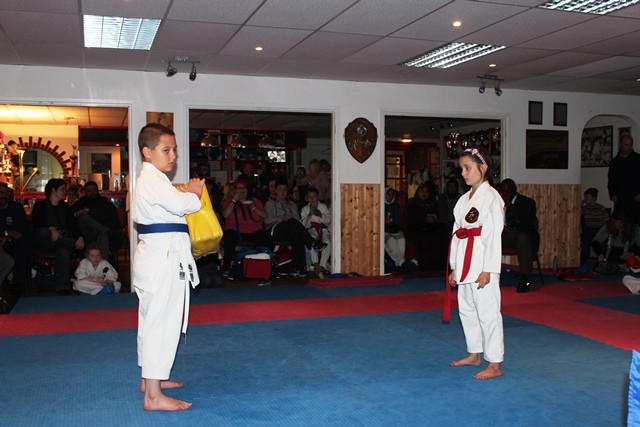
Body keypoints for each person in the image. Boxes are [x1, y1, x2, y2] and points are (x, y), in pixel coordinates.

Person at [131, 123, 204, 411]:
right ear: (147, 152)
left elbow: (171, 203)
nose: (173, 156)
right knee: (160, 324)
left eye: (174, 149)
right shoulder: (151, 180)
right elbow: (182, 204)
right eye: (166, 150)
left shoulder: (154, 180)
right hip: (162, 260)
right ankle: (153, 396)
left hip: (157, 257)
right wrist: (194, 192)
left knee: (151, 321)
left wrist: (185, 194)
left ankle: (150, 381)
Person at [448, 147, 505, 380]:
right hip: (465, 263)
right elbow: (457, 233)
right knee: (467, 310)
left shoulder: (491, 197)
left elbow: (493, 236)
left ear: (483, 168)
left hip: (482, 263)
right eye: (462, 168)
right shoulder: (463, 200)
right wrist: (454, 267)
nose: (463, 173)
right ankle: (474, 353)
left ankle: (495, 363)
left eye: (467, 168)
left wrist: (488, 269)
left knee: (488, 313)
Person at [31, 178, 84, 293]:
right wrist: (51, 229)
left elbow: (73, 225)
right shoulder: (40, 205)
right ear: (53, 190)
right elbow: (37, 223)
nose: (65, 192)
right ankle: (72, 243)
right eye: (62, 189)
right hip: (44, 241)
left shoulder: (65, 207)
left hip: (60, 241)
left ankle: (63, 288)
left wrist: (80, 237)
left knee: (63, 251)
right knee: (43, 232)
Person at [264, 178, 325, 276]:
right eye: (280, 189)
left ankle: (300, 268)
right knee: (292, 224)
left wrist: (290, 218)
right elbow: (267, 221)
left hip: (290, 229)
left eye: (284, 189)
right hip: (274, 231)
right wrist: (282, 219)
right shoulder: (270, 204)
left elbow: (297, 220)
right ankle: (312, 242)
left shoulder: (292, 204)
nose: (282, 192)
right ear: (276, 191)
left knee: (296, 232)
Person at [221, 179, 270, 276]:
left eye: (244, 188)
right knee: (229, 237)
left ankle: (264, 265)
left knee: (264, 237)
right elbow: (225, 214)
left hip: (254, 231)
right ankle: (227, 267)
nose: (242, 190)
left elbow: (265, 215)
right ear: (235, 190)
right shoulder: (229, 202)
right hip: (235, 231)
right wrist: (234, 201)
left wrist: (254, 208)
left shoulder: (254, 201)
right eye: (239, 188)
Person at [499, 178, 539, 293]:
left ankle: (524, 279)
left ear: (514, 190)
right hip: (501, 235)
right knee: (482, 238)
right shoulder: (496, 201)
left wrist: (510, 207)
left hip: (518, 234)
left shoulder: (527, 203)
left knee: (523, 238)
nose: (505, 193)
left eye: (508, 191)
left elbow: (527, 225)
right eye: (503, 191)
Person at [72, 180, 121, 260]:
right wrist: (79, 213)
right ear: (85, 192)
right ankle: (106, 231)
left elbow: (113, 218)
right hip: (87, 234)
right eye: (89, 191)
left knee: (103, 236)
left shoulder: (104, 202)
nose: (92, 192)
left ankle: (103, 265)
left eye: (94, 190)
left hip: (101, 232)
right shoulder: (80, 203)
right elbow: (72, 217)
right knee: (83, 217)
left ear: (97, 190)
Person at [0, 182, 29, 289]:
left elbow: (22, 230)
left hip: (15, 241)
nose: (4, 195)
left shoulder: (16, 207)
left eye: (6, 193)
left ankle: (18, 284)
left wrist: (7, 234)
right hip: (1, 242)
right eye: (1, 193)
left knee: (22, 248)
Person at [608, 134, 640, 226]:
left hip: (635, 199)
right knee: (619, 225)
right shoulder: (615, 161)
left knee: (635, 224)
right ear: (620, 144)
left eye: (630, 145)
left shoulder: (637, 159)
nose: (629, 147)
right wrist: (612, 194)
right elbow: (611, 179)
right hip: (620, 199)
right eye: (626, 145)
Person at [300, 187, 331, 276]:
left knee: (328, 241)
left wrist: (320, 215)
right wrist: (309, 215)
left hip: (323, 229)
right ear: (307, 198)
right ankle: (315, 263)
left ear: (317, 197)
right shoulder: (305, 209)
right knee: (312, 240)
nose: (312, 199)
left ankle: (322, 265)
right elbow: (303, 225)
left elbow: (328, 220)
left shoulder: (323, 207)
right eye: (310, 197)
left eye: (314, 196)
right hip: (311, 229)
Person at [580, 188, 610, 264]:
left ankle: (601, 261)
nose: (585, 199)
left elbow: (608, 222)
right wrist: (580, 205)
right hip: (589, 229)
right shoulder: (585, 208)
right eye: (585, 197)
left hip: (599, 229)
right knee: (585, 242)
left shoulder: (601, 208)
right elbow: (579, 214)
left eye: (587, 197)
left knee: (600, 241)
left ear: (594, 198)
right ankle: (585, 262)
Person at [384, 187, 406, 270]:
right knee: (390, 241)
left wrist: (392, 221)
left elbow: (399, 220)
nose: (390, 197)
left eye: (392, 195)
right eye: (388, 195)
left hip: (395, 229)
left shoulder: (395, 205)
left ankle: (400, 262)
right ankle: (401, 262)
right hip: (384, 230)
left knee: (401, 240)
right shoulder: (380, 205)